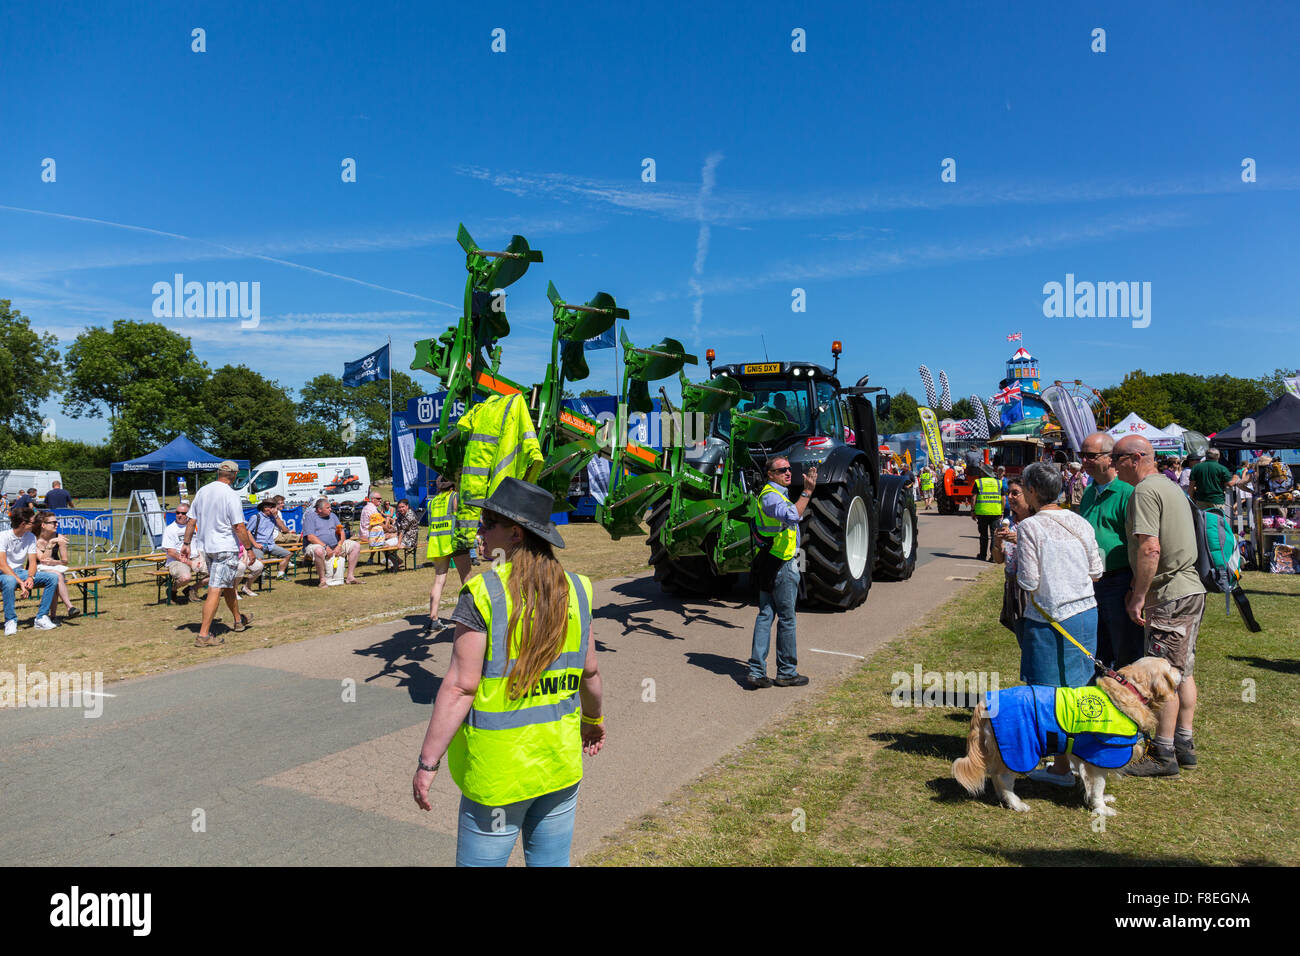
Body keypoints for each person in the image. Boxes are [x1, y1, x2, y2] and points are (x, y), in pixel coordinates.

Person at [410, 478, 604, 867]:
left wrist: (427, 763)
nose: (477, 533)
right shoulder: (578, 589)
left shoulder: (483, 593)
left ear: (515, 533)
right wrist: (594, 719)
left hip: (499, 775)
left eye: (486, 524)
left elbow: (461, 688)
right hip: (558, 766)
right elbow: (590, 672)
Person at [1114, 435, 1205, 777]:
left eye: (1117, 456)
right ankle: (1183, 743)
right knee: (1183, 671)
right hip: (1189, 590)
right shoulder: (1171, 487)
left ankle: (1163, 753)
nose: (1112, 462)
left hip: (1169, 593)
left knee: (1161, 672)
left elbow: (1150, 548)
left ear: (1135, 458)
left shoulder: (1145, 492)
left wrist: (1139, 594)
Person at [1014, 461, 1103, 785]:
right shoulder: (1080, 522)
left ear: (1033, 491)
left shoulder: (1029, 528)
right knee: (1079, 690)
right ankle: (1079, 761)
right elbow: (1096, 570)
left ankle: (1063, 766)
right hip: (1085, 613)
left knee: (1048, 695)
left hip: (1049, 617)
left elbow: (1028, 580)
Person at [1078, 432, 1145, 669]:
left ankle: (1130, 696)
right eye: (1081, 455)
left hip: (1119, 581)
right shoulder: (1088, 492)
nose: (1083, 461)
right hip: (1091, 581)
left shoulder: (1127, 493)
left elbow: (1141, 543)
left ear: (1110, 458)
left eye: (1090, 455)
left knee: (1124, 645)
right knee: (1097, 645)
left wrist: (1135, 587)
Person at [748, 456, 815, 688]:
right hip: (782, 562)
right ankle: (786, 671)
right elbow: (792, 516)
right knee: (786, 618)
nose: (788, 472)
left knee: (766, 614)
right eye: (782, 470)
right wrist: (806, 493)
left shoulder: (776, 494)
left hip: (772, 561)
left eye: (789, 468)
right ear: (770, 474)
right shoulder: (770, 496)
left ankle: (757, 671)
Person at [183, 461, 258, 647]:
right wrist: (249, 549)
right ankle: (203, 635)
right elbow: (239, 526)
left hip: (207, 547)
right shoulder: (230, 495)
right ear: (233, 475)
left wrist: (186, 543)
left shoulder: (203, 491)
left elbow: (191, 521)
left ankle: (238, 620)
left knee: (227, 585)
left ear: (219, 473)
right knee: (216, 589)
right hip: (224, 547)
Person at [0, 507, 62, 633]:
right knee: (10, 581)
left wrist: (30, 577)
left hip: (20, 572)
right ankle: (10, 621)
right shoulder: (3, 536)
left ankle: (41, 618)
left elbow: (33, 562)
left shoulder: (30, 537)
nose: (35, 525)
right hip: (4, 573)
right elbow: (2, 565)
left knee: (53, 577)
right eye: (32, 522)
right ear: (24, 523)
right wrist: (21, 582)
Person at [425, 476, 472, 636]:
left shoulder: (432, 502)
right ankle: (471, 616)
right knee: (467, 580)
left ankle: (433, 618)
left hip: (437, 542)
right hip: (455, 540)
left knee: (439, 581)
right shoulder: (455, 497)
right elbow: (462, 517)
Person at [991, 477, 1033, 639]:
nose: (1009, 497)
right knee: (1020, 635)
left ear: (1029, 495)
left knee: (1030, 638)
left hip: (1030, 590)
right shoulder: (1007, 522)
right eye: (1008, 493)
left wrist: (1020, 539)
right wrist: (997, 541)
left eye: (1015, 493)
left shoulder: (1036, 523)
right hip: (1012, 586)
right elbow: (999, 559)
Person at [32, 511, 83, 621]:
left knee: (55, 577)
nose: (57, 524)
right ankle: (69, 607)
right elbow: (43, 560)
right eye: (53, 522)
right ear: (43, 525)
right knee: (56, 576)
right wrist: (51, 543)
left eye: (57, 522)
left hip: (54, 569)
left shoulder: (59, 537)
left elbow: (65, 561)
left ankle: (54, 616)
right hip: (34, 571)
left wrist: (54, 562)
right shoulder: (33, 539)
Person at [302, 497, 361, 587]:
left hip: (335, 544)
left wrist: (339, 545)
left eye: (330, 507)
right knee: (319, 551)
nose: (330, 509)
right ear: (319, 509)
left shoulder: (333, 516)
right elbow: (310, 537)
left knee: (356, 545)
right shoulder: (310, 518)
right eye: (328, 508)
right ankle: (322, 580)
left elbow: (341, 532)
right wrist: (325, 547)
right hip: (316, 545)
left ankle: (350, 577)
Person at [163, 503, 206, 603]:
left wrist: (201, 558)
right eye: (177, 513)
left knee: (216, 574)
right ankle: (172, 590)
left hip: (195, 557)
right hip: (177, 561)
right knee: (185, 578)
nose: (179, 515)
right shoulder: (170, 529)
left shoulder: (194, 527)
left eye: (183, 513)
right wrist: (189, 563)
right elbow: (171, 552)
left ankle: (192, 589)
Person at [247, 499, 292, 579]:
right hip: (258, 544)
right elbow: (248, 532)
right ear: (265, 507)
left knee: (287, 554)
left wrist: (276, 516)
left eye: (273, 507)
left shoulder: (273, 518)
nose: (273, 509)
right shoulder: (256, 517)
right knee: (260, 560)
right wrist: (255, 544)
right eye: (271, 507)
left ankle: (280, 574)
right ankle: (259, 577)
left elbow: (285, 530)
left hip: (270, 545)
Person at [971, 465, 1002, 561]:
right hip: (996, 512)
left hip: (982, 512)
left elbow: (973, 497)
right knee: (994, 535)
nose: (980, 472)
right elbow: (1003, 498)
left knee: (983, 535)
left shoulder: (978, 482)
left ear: (984, 473)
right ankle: (993, 557)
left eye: (981, 471)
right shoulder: (998, 483)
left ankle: (982, 555)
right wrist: (1002, 510)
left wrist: (973, 510)